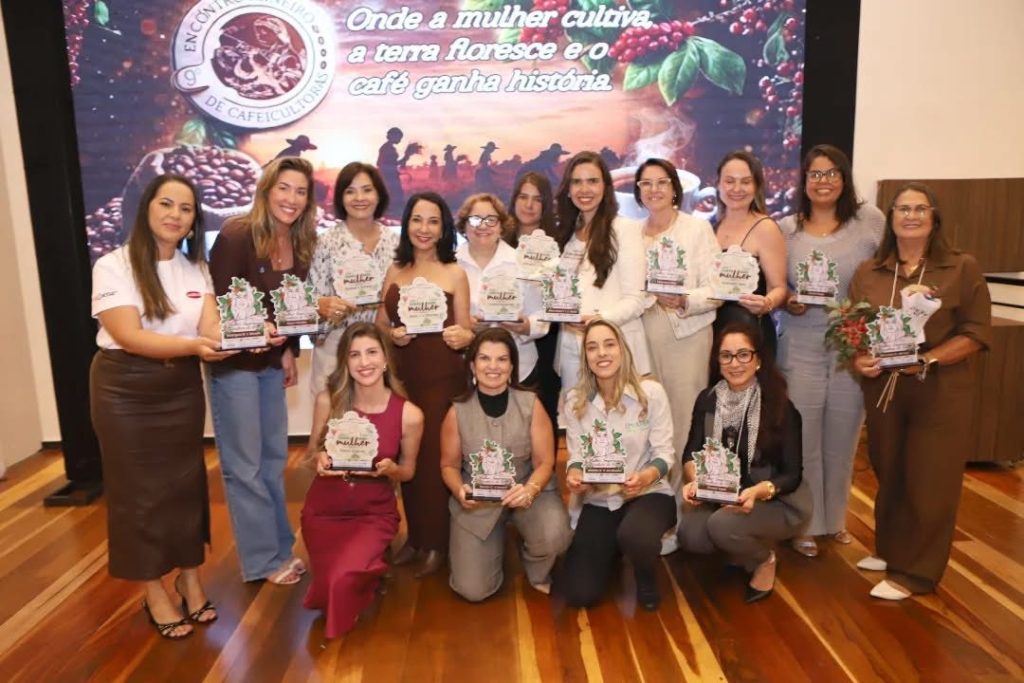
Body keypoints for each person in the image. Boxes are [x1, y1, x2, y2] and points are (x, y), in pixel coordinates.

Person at [90, 175, 237, 638]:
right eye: (166, 204)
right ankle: (153, 592)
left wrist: (247, 334)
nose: (176, 215)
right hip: (125, 389)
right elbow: (129, 335)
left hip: (180, 388)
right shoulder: (113, 265)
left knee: (184, 486)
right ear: (146, 208)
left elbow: (210, 327)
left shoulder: (195, 269)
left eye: (186, 208)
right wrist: (195, 346)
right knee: (139, 494)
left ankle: (190, 580)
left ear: (195, 220)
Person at [849, 182, 991, 600]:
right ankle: (892, 550)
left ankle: (916, 574)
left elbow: (976, 333)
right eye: (902, 209)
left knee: (930, 480)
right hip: (885, 389)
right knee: (890, 470)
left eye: (920, 209)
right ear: (890, 218)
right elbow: (854, 329)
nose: (911, 216)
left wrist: (928, 360)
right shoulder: (870, 271)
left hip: (939, 389)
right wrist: (859, 358)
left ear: (934, 218)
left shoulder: (961, 267)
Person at [208, 156, 318, 585]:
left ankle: (280, 549)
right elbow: (220, 305)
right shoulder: (237, 235)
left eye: (301, 191)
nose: (292, 198)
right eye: (284, 188)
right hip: (235, 365)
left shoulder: (300, 242)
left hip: (271, 363)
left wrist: (288, 348)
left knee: (272, 460)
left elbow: (291, 307)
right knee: (245, 467)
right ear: (266, 189)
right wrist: (256, 331)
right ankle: (261, 560)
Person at [778, 145, 885, 558]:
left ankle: (836, 520)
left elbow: (886, 276)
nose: (823, 181)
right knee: (803, 436)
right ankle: (805, 522)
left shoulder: (869, 222)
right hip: (800, 341)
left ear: (844, 178)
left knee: (843, 435)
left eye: (831, 173)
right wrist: (789, 298)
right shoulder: (786, 228)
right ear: (804, 180)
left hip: (850, 344)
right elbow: (775, 284)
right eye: (815, 174)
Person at [300, 322, 424, 638]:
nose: (364, 362)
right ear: (345, 361)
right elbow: (310, 454)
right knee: (328, 589)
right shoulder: (329, 400)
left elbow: (408, 472)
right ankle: (364, 571)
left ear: (386, 360)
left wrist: (391, 470)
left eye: (372, 352)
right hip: (323, 512)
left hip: (373, 514)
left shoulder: (409, 414)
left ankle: (366, 568)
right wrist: (319, 460)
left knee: (339, 583)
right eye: (354, 355)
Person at [377, 192, 474, 577]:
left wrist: (463, 336)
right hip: (403, 377)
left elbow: (467, 329)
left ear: (444, 228)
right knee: (407, 456)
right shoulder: (394, 270)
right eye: (417, 220)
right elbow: (380, 325)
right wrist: (393, 335)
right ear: (406, 225)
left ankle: (437, 542)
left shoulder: (455, 273)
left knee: (435, 458)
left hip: (441, 377)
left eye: (433, 221)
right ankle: (415, 538)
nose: (424, 228)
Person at [677, 322, 810, 603]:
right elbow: (690, 453)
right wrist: (695, 481)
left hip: (775, 499)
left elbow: (791, 475)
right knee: (690, 535)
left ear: (758, 360)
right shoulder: (707, 400)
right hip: (721, 495)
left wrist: (757, 492)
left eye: (743, 354)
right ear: (718, 361)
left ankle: (764, 559)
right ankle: (740, 552)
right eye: (726, 355)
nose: (734, 363)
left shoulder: (781, 407)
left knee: (722, 526)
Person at [440, 328, 571, 601]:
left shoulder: (531, 404)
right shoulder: (456, 412)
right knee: (473, 590)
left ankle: (536, 566)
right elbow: (449, 466)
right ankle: (492, 551)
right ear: (472, 365)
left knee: (556, 536)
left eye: (502, 359)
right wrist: (459, 491)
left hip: (526, 490)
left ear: (512, 366)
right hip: (478, 501)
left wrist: (531, 490)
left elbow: (545, 462)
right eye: (485, 358)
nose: (493, 367)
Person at [558, 320, 676, 611]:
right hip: (600, 499)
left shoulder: (651, 393)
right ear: (585, 357)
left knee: (636, 536)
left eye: (609, 344)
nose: (602, 353)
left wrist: (645, 477)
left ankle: (644, 572)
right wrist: (575, 475)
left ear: (622, 349)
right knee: (580, 593)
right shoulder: (574, 401)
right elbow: (576, 457)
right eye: (592, 347)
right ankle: (609, 552)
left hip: (648, 493)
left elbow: (665, 454)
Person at [634, 158, 721, 495]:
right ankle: (653, 502)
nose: (653, 189)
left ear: (675, 188)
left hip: (687, 336)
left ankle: (684, 507)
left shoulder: (697, 229)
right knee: (648, 421)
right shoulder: (630, 233)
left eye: (661, 182)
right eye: (646, 183)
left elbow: (717, 287)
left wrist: (685, 300)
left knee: (684, 421)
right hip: (641, 337)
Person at [554, 151, 649, 404]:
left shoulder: (625, 230)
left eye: (593, 181)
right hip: (572, 352)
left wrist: (599, 321)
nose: (584, 189)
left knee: (620, 423)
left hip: (615, 350)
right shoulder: (566, 235)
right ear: (568, 189)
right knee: (578, 421)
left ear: (606, 187)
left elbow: (636, 299)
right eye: (577, 182)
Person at [307, 162, 399, 396]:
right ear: (341, 197)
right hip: (335, 347)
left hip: (382, 349)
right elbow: (310, 305)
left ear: (379, 195)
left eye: (367, 190)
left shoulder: (396, 244)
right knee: (333, 417)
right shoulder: (325, 243)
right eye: (350, 191)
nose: (359, 198)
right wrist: (325, 309)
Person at [455, 192, 548, 385]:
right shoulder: (449, 265)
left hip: (520, 370)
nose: (483, 226)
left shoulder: (523, 263)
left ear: (501, 226)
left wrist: (525, 326)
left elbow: (542, 314)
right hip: (465, 371)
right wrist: (466, 325)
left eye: (491, 220)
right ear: (464, 225)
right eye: (475, 219)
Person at [711, 150, 787, 358]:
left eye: (745, 182)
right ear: (718, 185)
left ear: (756, 186)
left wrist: (766, 304)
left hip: (751, 336)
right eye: (729, 181)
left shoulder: (765, 227)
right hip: (713, 336)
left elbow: (779, 288)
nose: (737, 189)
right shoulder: (710, 228)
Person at [506, 172, 561, 437]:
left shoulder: (557, 245)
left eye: (537, 199)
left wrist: (531, 325)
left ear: (546, 204)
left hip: (545, 344)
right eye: (523, 197)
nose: (529, 205)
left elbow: (562, 298)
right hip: (502, 341)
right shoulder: (498, 241)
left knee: (541, 420)